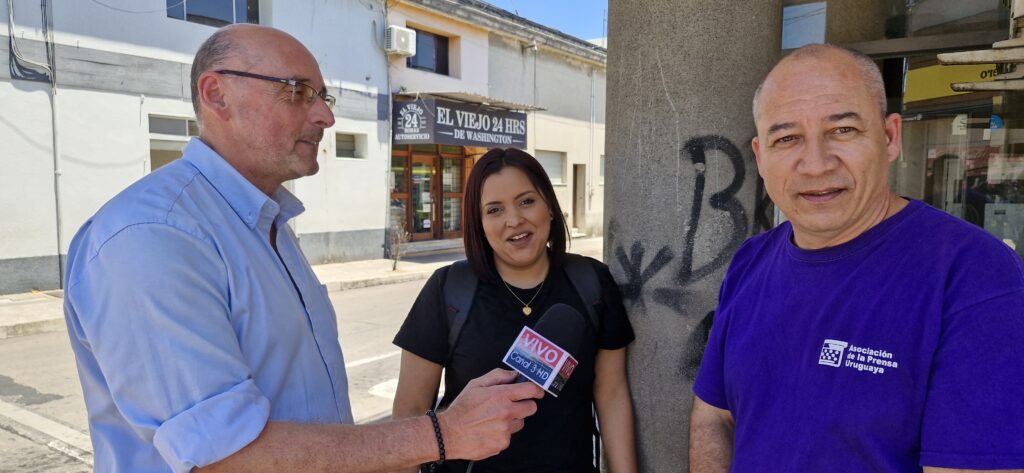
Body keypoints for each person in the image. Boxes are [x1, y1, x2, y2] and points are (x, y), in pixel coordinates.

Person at [62, 24, 542, 473]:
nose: (326, 116)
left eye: (323, 96)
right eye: (296, 92)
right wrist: (443, 434)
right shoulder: (153, 235)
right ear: (217, 94)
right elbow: (224, 456)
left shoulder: (261, 222)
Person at [689, 43, 1024, 473]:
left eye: (842, 131)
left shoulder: (975, 275)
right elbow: (713, 415)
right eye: (787, 138)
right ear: (760, 156)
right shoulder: (751, 261)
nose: (815, 164)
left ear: (889, 138)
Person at [391, 148, 638, 473]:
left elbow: (612, 395)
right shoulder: (448, 290)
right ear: (479, 223)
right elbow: (410, 409)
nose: (514, 220)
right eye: (494, 210)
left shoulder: (592, 283)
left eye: (526, 201)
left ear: (549, 206)